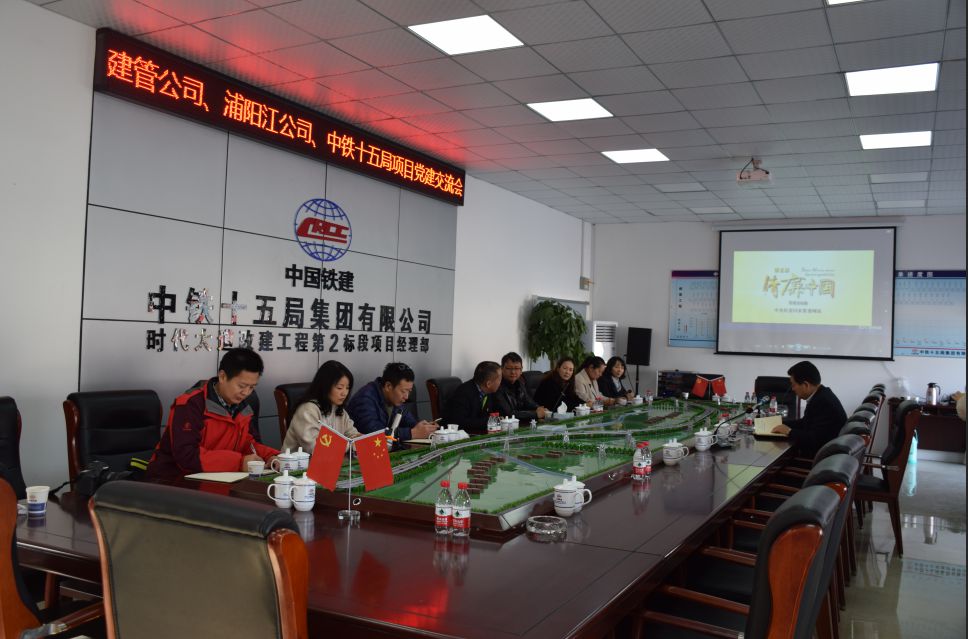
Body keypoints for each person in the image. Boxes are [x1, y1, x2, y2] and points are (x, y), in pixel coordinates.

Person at [147, 349, 278, 480]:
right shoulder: (190, 404)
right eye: (242, 386)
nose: (246, 393)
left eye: (252, 387)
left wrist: (271, 456)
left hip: (220, 478)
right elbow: (187, 456)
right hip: (174, 480)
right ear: (222, 377)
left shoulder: (244, 408)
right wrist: (239, 463)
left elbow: (249, 444)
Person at [346, 362, 436, 444]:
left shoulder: (395, 399)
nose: (406, 397)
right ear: (388, 386)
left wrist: (424, 427)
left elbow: (409, 421)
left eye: (409, 391)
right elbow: (373, 433)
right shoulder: (365, 399)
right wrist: (411, 433)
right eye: (403, 391)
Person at [771, 360, 847, 456]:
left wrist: (789, 431)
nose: (793, 389)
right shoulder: (821, 395)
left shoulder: (823, 401)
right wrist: (779, 423)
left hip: (820, 459)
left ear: (806, 385)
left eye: (793, 385)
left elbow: (814, 439)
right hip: (824, 454)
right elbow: (805, 423)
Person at [283, 360, 359, 452]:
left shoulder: (340, 411)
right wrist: (350, 445)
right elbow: (314, 447)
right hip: (299, 461)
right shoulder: (308, 410)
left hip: (332, 460)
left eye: (347, 388)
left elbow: (353, 434)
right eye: (339, 388)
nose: (344, 393)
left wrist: (360, 439)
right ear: (325, 386)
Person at [442, 361, 502, 434]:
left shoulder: (488, 391)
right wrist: (489, 421)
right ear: (488, 384)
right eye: (499, 379)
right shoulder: (464, 393)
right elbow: (459, 422)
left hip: (478, 432)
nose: (500, 382)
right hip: (459, 435)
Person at [492, 352, 547, 422]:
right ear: (502, 369)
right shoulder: (497, 386)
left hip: (519, 422)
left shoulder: (520, 383)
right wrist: (535, 414)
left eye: (517, 368)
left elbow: (528, 402)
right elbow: (508, 414)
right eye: (509, 368)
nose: (513, 372)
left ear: (521, 370)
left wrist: (539, 408)